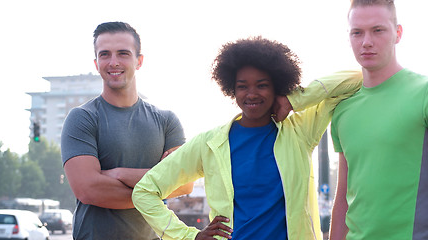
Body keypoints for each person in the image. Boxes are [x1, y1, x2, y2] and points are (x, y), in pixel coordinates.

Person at [132, 36, 362, 240]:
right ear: (232, 89)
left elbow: (356, 79)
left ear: (277, 88)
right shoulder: (209, 144)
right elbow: (145, 191)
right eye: (242, 87)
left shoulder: (299, 132)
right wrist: (188, 236)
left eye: (262, 85)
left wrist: (296, 100)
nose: (251, 94)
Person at [61, 21, 192, 240]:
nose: (113, 62)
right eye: (105, 55)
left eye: (123, 53)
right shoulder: (82, 118)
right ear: (96, 63)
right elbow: (88, 190)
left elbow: (184, 183)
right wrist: (157, 185)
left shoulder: (166, 121)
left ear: (139, 61)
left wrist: (119, 174)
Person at [329, 1, 428, 239]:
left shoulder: (423, 93)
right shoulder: (343, 109)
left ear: (398, 33)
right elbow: (343, 197)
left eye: (378, 30)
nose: (366, 42)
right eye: (357, 32)